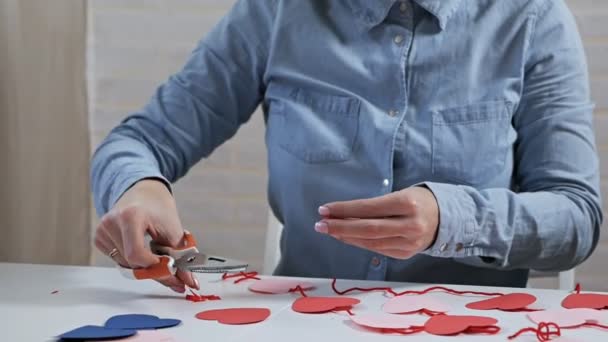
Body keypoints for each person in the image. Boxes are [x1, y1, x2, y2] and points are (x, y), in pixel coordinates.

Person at [91, 0, 602, 293]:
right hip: (301, 324)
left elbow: (576, 218)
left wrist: (452, 219)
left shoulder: (532, 18)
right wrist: (139, 189)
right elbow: (139, 140)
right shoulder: (275, 12)